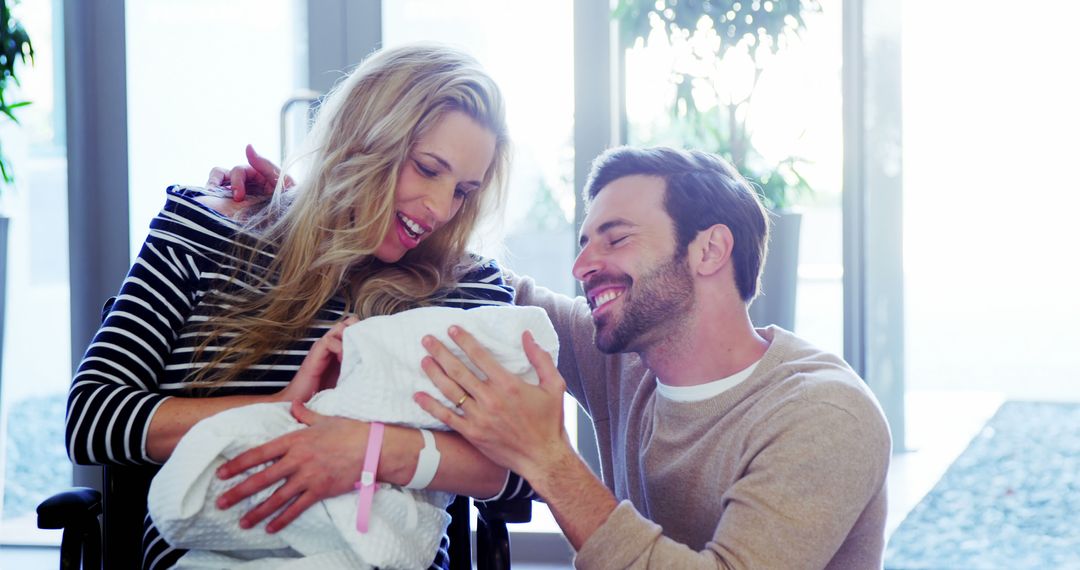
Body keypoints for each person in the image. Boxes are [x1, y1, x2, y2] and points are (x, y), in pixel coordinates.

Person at [66, 43, 533, 570]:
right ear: (364, 137)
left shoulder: (465, 289)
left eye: (464, 191)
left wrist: (367, 449)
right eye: (428, 169)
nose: (441, 209)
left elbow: (518, 466)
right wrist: (286, 407)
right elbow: (92, 419)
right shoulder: (206, 230)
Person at [414, 146, 893, 568]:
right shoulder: (626, 358)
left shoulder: (825, 416)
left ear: (709, 250)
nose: (581, 266)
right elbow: (491, 290)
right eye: (584, 244)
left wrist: (549, 458)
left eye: (616, 238)